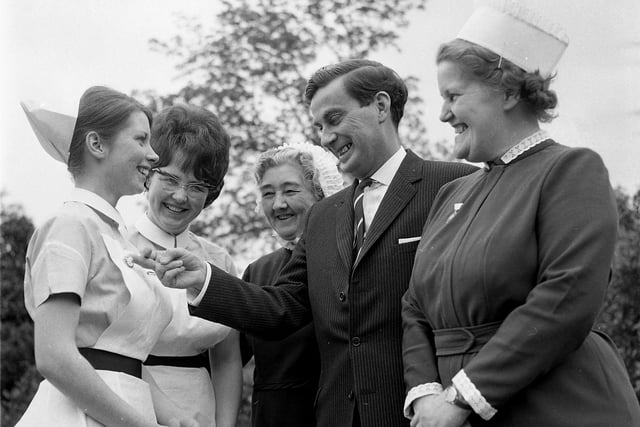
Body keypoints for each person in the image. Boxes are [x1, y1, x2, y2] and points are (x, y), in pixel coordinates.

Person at [136, 59, 477, 427]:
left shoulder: (456, 185)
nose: (326, 137)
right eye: (318, 126)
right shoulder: (323, 216)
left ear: (381, 106)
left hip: (423, 414)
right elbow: (282, 308)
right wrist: (202, 278)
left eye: (334, 119)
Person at [401, 2, 640, 426]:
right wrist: (426, 396)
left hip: (560, 407)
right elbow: (415, 306)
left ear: (510, 92)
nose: (443, 114)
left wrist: (461, 398)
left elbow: (568, 294)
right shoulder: (452, 193)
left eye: (453, 96)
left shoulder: (570, 169)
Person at [17, 86, 199, 426]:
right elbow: (55, 357)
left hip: (126, 411)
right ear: (97, 145)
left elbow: (123, 359)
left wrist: (176, 417)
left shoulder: (117, 238)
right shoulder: (69, 226)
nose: (154, 155)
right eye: (141, 140)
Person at [128, 104, 242, 427]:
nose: (181, 196)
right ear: (148, 174)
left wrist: (224, 424)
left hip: (200, 408)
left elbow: (227, 358)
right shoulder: (117, 245)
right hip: (129, 401)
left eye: (197, 187)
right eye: (171, 179)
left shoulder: (219, 261)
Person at [240, 142, 344, 427]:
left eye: (290, 190)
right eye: (268, 194)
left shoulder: (347, 260)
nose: (278, 204)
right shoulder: (257, 271)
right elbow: (227, 358)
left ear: (321, 194)